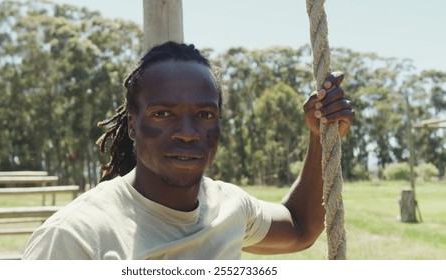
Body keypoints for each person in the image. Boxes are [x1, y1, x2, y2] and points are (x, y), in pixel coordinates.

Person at [22, 41, 354, 260]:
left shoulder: (229, 208)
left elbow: (299, 226)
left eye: (204, 115)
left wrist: (318, 136)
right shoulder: (75, 237)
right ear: (133, 125)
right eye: (163, 114)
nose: (186, 133)